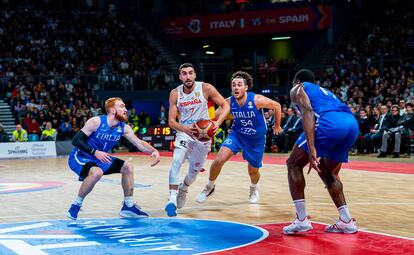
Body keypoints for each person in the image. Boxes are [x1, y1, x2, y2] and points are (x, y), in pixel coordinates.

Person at [283, 69, 359, 235]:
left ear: (296, 81)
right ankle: (346, 221)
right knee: (328, 173)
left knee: (293, 164)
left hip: (329, 123)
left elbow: (308, 111)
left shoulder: (297, 88)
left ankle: (301, 220)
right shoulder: (325, 91)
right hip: (351, 124)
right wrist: (329, 175)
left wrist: (311, 149)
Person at [66, 97, 160, 220]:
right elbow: (76, 140)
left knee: (127, 167)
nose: (125, 109)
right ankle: (75, 206)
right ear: (112, 110)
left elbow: (138, 143)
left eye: (125, 106)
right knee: (97, 172)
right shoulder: (96, 122)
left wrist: (154, 151)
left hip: (100, 158)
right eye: (121, 106)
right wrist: (95, 152)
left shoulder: (124, 128)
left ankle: (128, 205)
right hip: (80, 156)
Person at [196, 71, 282, 204]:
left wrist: (277, 125)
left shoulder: (256, 100)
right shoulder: (229, 102)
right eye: (233, 85)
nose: (236, 87)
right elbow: (214, 116)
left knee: (253, 171)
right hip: (237, 135)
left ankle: (254, 188)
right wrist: (207, 123)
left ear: (246, 88)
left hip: (255, 140)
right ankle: (209, 187)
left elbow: (277, 105)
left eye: (239, 85)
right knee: (219, 160)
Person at [165, 63, 230, 217]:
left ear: (195, 75)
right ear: (180, 77)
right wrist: (186, 129)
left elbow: (225, 105)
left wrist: (217, 123)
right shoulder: (175, 93)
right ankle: (172, 199)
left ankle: (184, 188)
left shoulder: (206, 88)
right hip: (185, 133)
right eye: (184, 74)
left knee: (193, 172)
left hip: (204, 136)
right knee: (176, 160)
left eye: (190, 73)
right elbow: (171, 122)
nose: (187, 76)